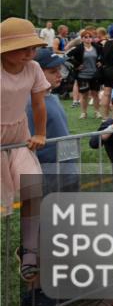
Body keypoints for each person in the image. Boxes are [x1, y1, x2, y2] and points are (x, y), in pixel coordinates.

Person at [0, 18, 48, 284]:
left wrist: (40, 133)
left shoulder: (34, 68)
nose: (30, 53)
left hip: (18, 139)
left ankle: (29, 251)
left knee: (33, 189)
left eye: (33, 47)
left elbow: (39, 104)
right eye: (23, 48)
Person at [26, 48, 80, 194]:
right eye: (52, 71)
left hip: (67, 170)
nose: (59, 75)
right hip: (50, 176)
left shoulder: (52, 97)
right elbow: (29, 143)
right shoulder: (30, 105)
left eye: (60, 70)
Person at [66, 27, 101, 118]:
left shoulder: (97, 47)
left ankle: (97, 112)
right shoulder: (79, 48)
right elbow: (67, 56)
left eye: (89, 37)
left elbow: (104, 55)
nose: (88, 38)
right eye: (85, 37)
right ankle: (83, 113)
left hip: (95, 75)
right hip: (83, 76)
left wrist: (101, 61)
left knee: (95, 94)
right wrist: (77, 65)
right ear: (82, 39)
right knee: (84, 95)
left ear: (92, 38)